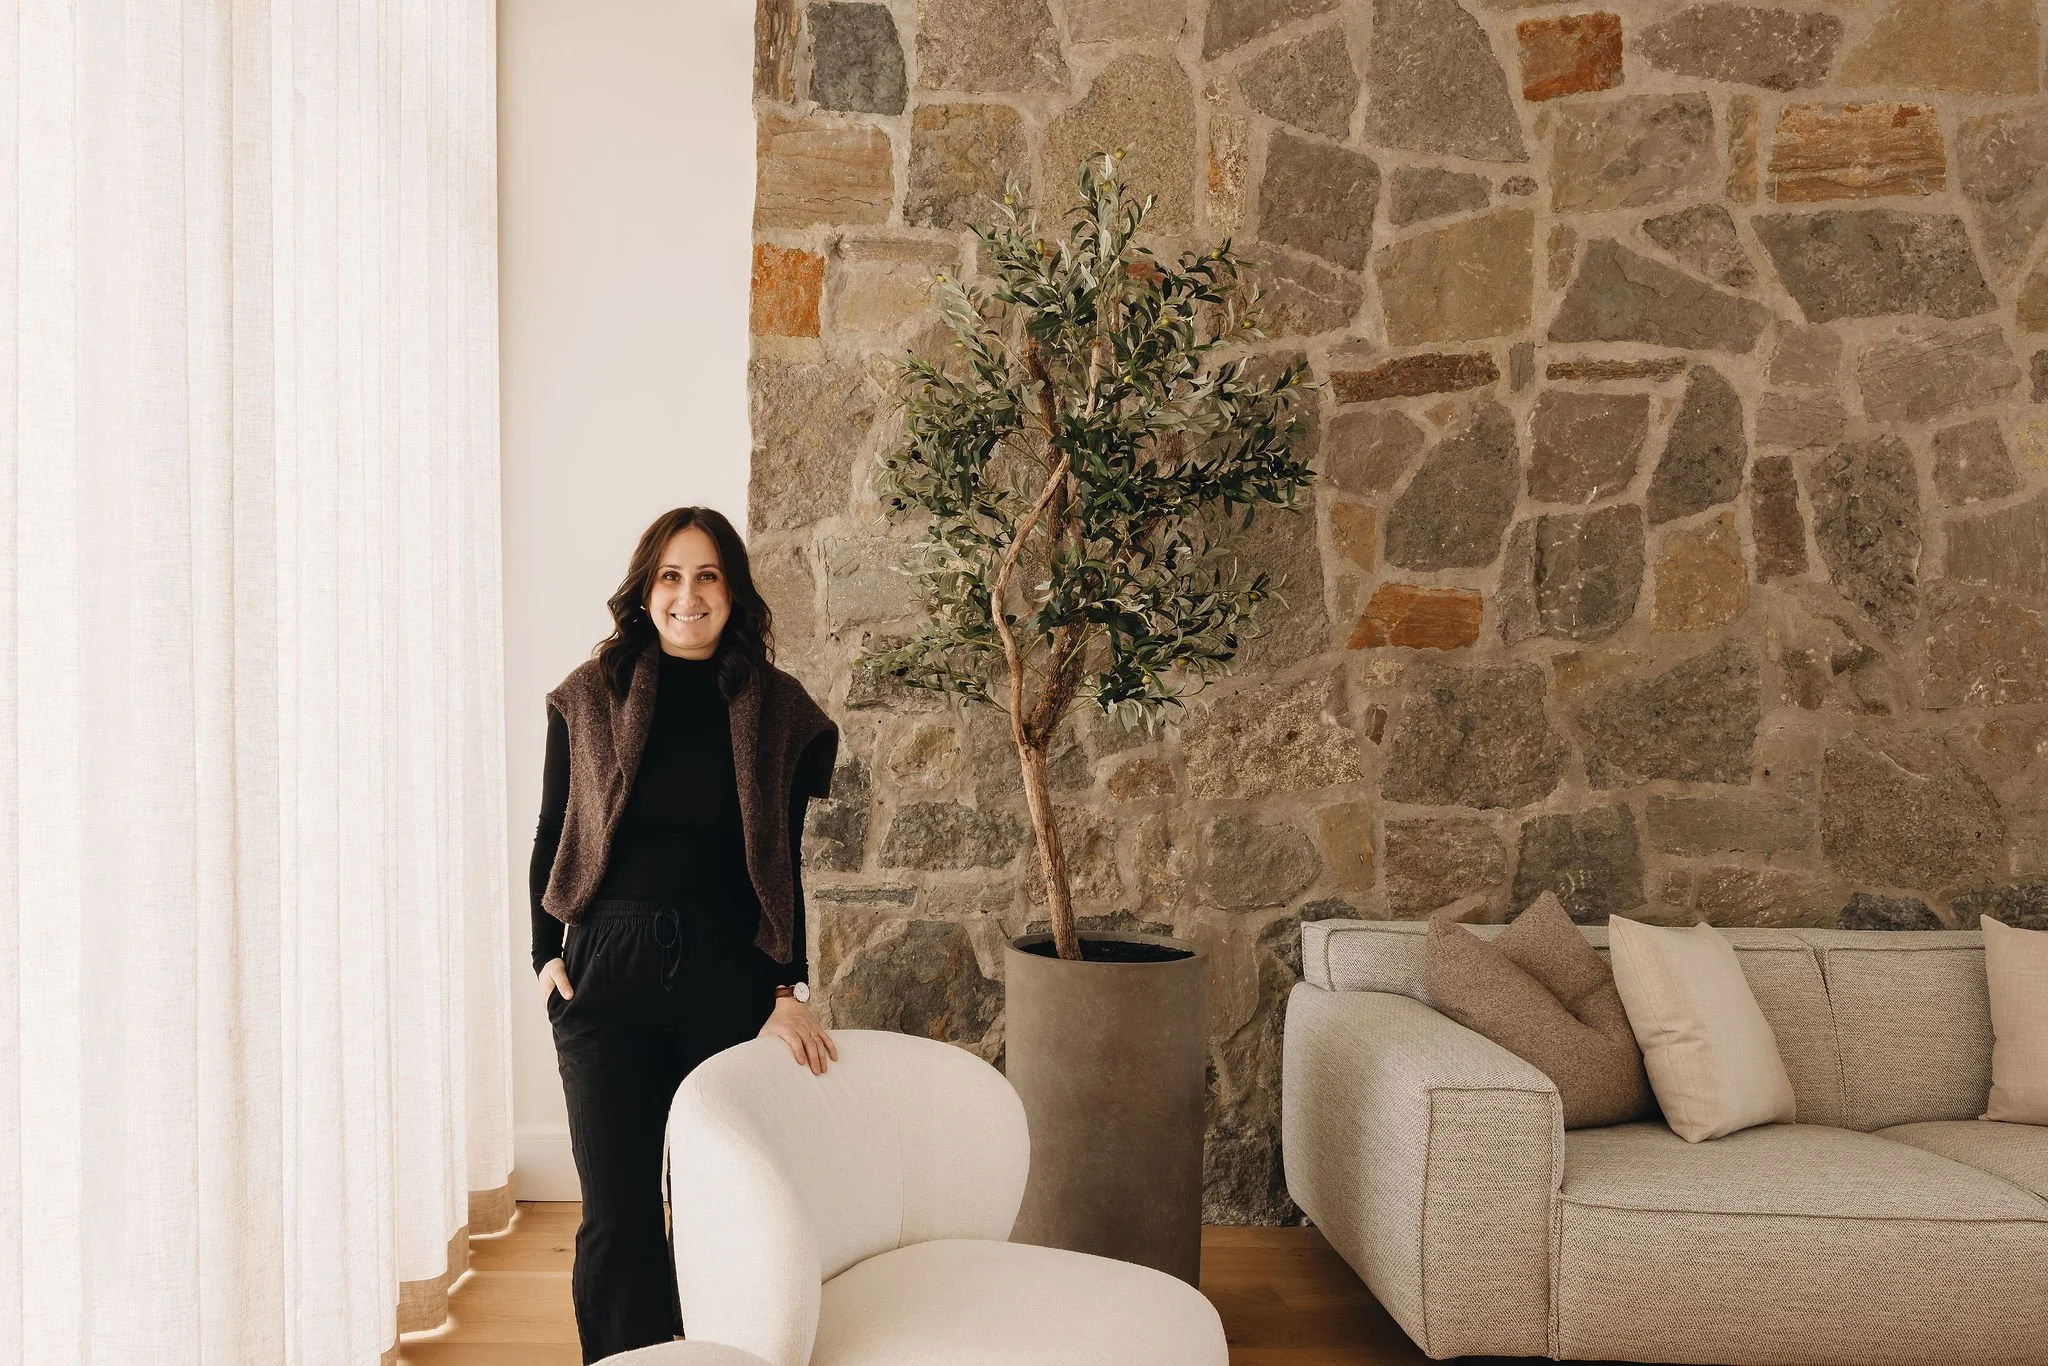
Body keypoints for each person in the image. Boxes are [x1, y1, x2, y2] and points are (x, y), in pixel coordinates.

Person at [531, 506, 839, 1363]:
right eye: (670, 575)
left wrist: (787, 989)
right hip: (606, 971)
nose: (688, 594)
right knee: (617, 1213)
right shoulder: (588, 696)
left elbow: (781, 860)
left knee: (717, 1203)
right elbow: (553, 829)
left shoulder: (776, 709)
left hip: (724, 974)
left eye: (708, 576)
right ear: (646, 590)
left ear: (733, 593)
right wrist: (543, 953)